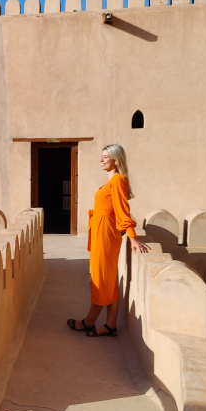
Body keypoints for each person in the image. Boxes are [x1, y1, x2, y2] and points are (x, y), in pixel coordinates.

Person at [67, 144, 150, 337]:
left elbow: (122, 209)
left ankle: (89, 321)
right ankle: (110, 325)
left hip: (105, 234)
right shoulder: (109, 181)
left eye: (106, 157)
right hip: (100, 232)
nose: (101, 160)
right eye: (101, 156)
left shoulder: (118, 179)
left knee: (100, 277)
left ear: (115, 159)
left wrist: (132, 237)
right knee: (108, 278)